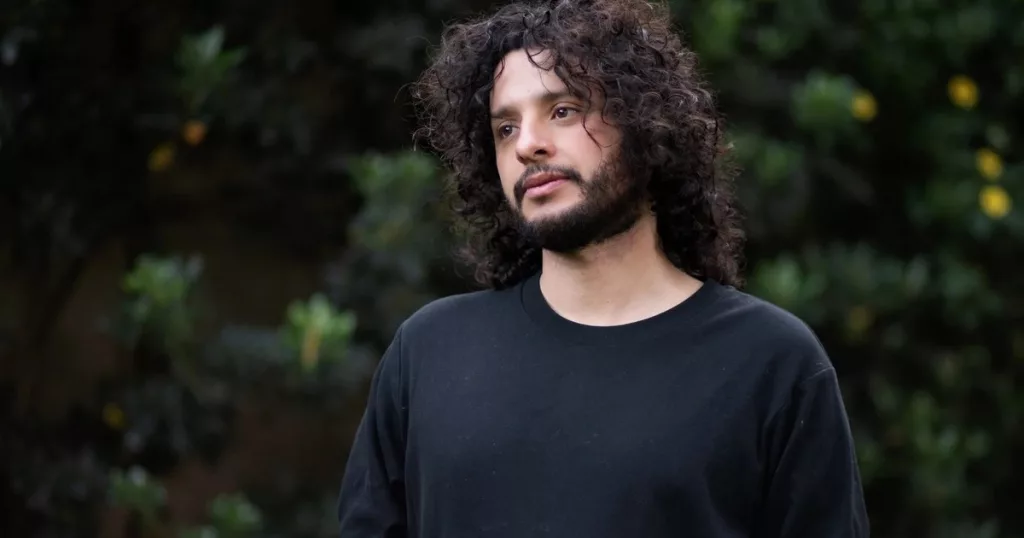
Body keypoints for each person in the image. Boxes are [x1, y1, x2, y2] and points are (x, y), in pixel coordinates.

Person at [337, 0, 870, 535]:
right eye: (505, 128)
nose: (527, 145)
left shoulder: (771, 363)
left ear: (644, 125)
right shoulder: (428, 353)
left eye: (563, 110)